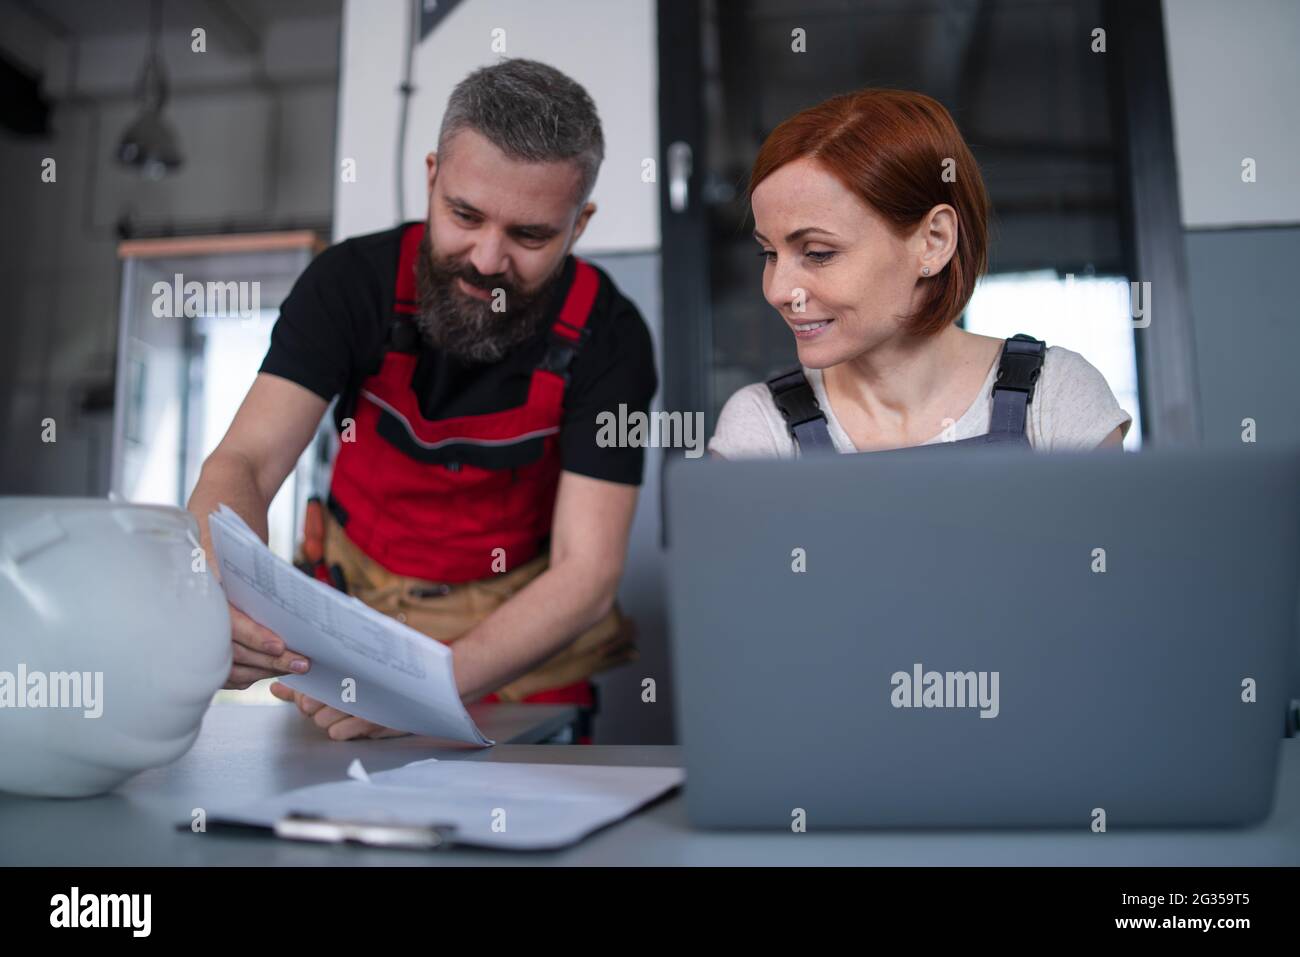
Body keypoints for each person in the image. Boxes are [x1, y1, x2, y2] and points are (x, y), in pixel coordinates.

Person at [187, 59, 657, 741]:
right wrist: (220, 588)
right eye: (464, 214)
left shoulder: (610, 337)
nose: (488, 259)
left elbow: (586, 575)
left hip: (518, 641)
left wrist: (421, 689)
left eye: (530, 235)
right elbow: (248, 463)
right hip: (353, 621)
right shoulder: (350, 285)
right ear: (432, 176)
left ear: (578, 225)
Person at [709, 88, 1130, 460]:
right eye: (769, 253)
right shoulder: (760, 428)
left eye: (818, 253)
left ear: (934, 240)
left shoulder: (1057, 396)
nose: (779, 290)